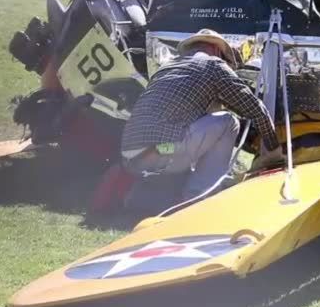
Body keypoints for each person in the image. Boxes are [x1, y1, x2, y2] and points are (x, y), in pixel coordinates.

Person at [120, 29, 280, 202]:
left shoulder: (166, 68)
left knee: (186, 134)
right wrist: (273, 150)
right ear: (217, 51)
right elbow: (255, 109)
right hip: (164, 149)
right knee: (229, 122)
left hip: (131, 156)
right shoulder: (213, 65)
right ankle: (200, 196)